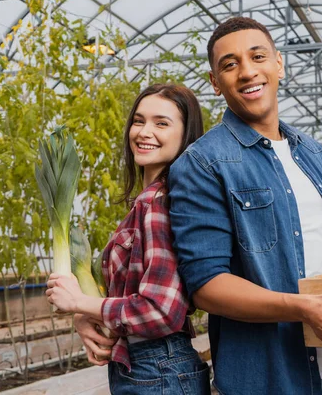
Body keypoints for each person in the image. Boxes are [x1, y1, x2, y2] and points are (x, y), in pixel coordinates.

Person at [168, 17, 322, 395]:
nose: (247, 71)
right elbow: (205, 285)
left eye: (257, 56)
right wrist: (304, 308)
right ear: (215, 83)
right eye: (230, 64)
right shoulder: (203, 163)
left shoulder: (311, 151)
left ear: (278, 64)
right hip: (274, 377)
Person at [45, 84, 210, 395]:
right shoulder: (146, 201)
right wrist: (85, 315)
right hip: (149, 365)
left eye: (161, 123)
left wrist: (80, 302)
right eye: (138, 120)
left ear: (186, 135)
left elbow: (161, 311)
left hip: (158, 367)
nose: (144, 132)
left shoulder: (157, 203)